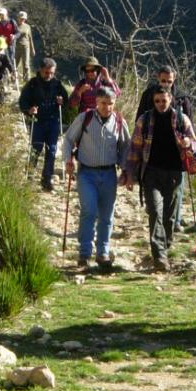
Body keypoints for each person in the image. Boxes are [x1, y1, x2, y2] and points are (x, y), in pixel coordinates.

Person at [124, 85, 196, 272]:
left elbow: (194, 142)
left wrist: (188, 143)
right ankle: (159, 255)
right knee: (155, 212)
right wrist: (130, 174)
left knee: (170, 215)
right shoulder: (145, 119)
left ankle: (164, 246)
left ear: (170, 100)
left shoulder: (182, 119)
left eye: (163, 100)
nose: (160, 104)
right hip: (151, 172)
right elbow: (135, 148)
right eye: (157, 101)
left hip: (175, 173)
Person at [62, 86, 129, 269]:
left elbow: (125, 148)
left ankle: (103, 253)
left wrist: (125, 170)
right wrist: (68, 160)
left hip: (109, 174)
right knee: (89, 211)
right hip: (86, 173)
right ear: (96, 102)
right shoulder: (85, 118)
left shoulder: (120, 122)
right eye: (103, 103)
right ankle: (84, 254)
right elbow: (68, 140)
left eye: (111, 104)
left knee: (106, 216)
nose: (107, 107)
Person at [18, 57, 68, 191]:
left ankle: (46, 180)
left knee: (51, 150)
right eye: (46, 72)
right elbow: (22, 102)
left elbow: (66, 103)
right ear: (40, 70)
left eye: (51, 73)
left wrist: (61, 102)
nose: (49, 75)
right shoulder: (32, 84)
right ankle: (29, 177)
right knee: (35, 149)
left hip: (53, 121)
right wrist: (29, 110)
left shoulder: (57, 85)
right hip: (37, 122)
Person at [13, 11, 35, 79]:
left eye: (24, 18)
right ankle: (13, 79)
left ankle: (26, 80)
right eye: (21, 18)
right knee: (14, 64)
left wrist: (32, 49)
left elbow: (30, 38)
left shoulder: (28, 27)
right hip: (16, 48)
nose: (23, 20)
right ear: (18, 18)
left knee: (26, 65)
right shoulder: (15, 26)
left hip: (26, 47)